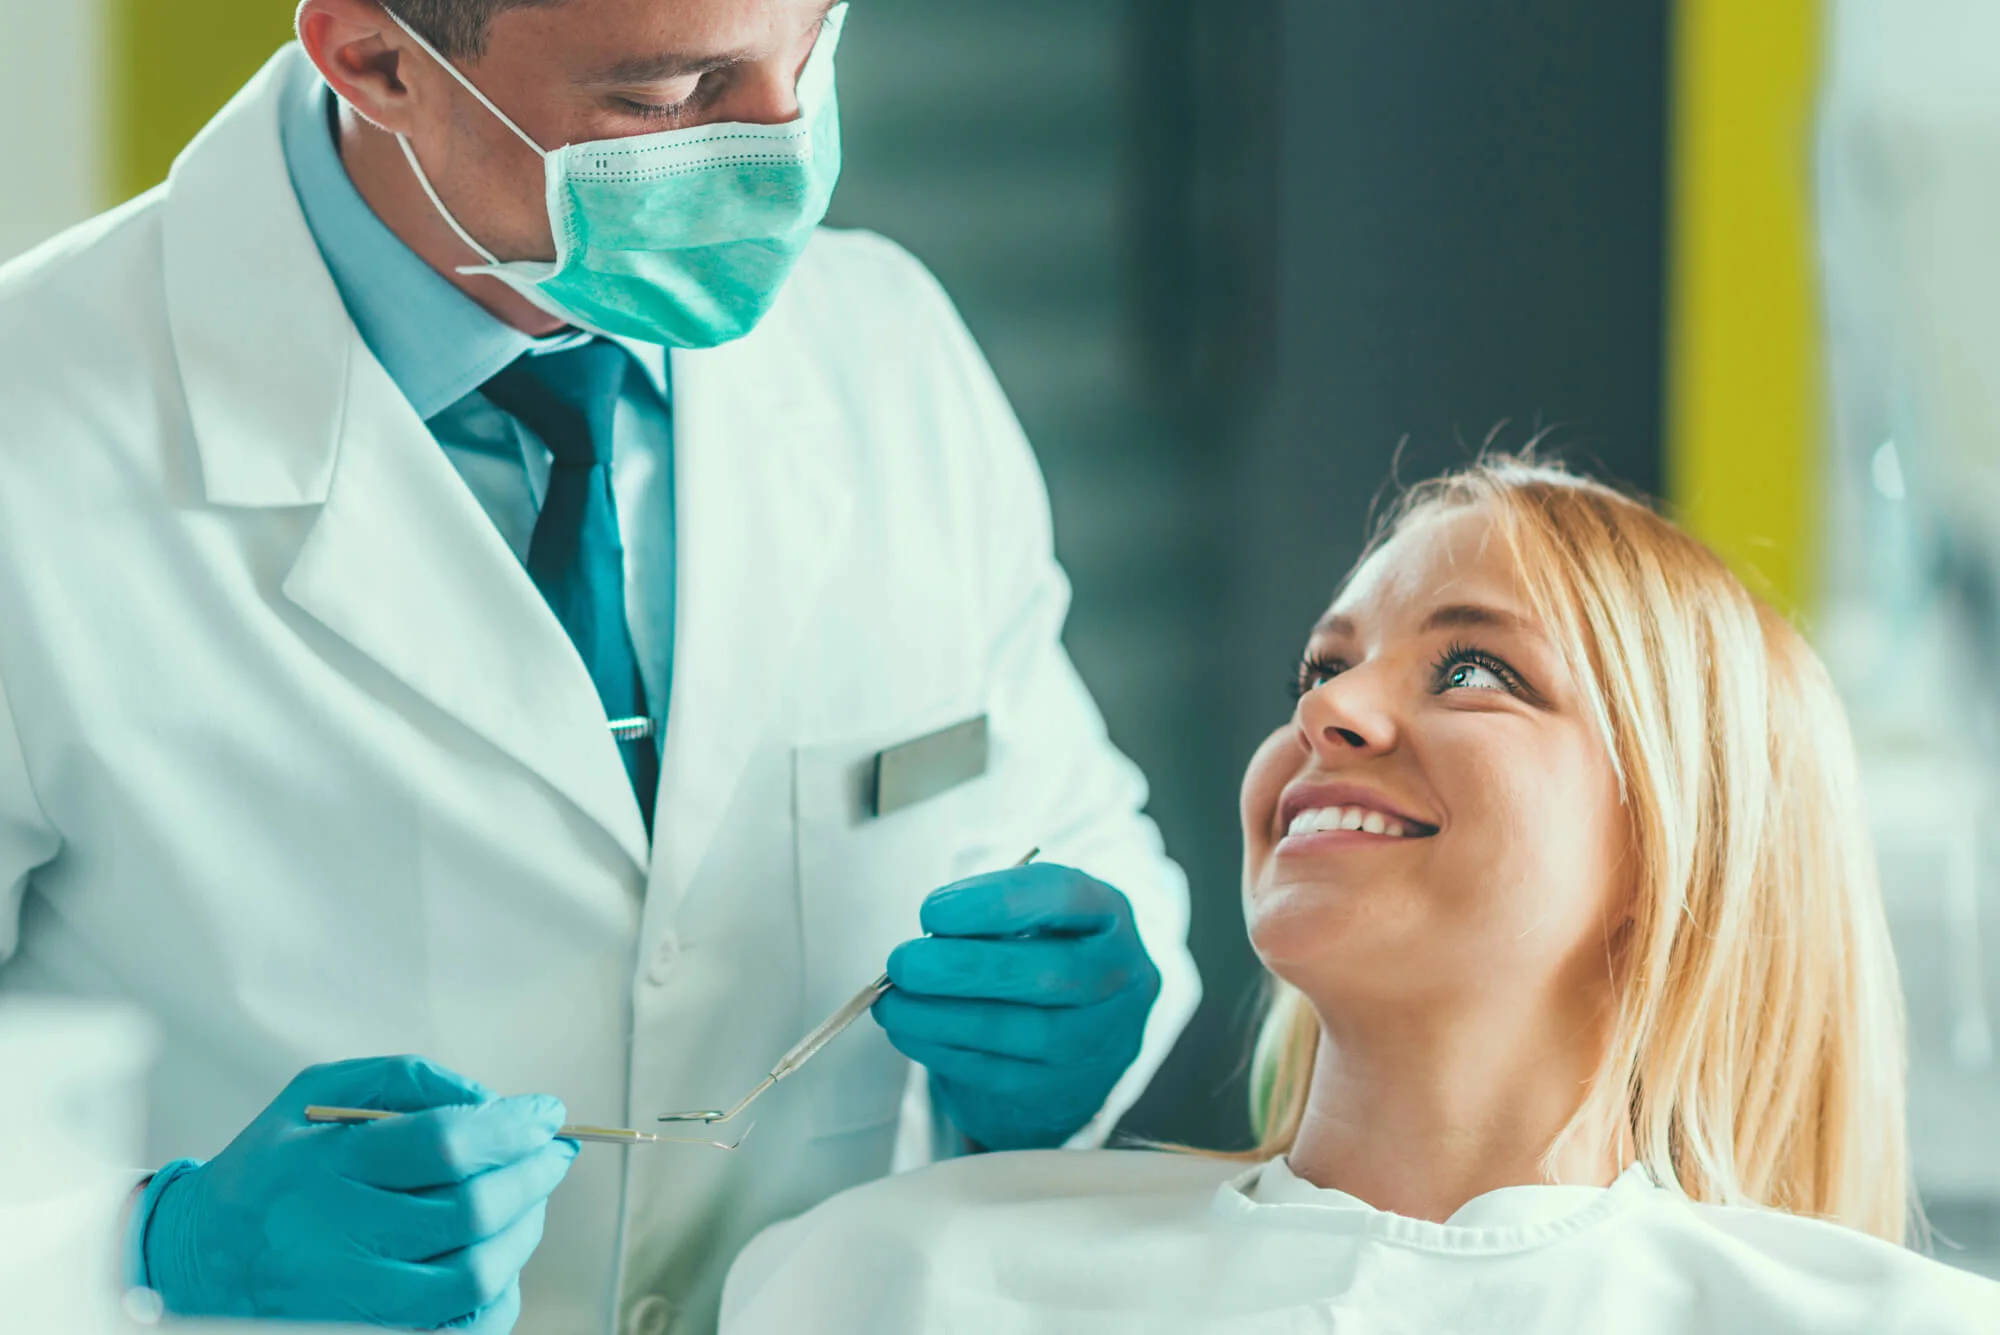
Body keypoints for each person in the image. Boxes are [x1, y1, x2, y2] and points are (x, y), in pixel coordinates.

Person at [0, 1, 1199, 1331]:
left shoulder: (884, 345)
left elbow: (1072, 822)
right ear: (377, 60)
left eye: (808, 43)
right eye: (670, 96)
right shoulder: (31, 437)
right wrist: (147, 1238)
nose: (784, 146)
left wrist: (1068, 1035)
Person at [718, 457, 2000, 1334]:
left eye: (1474, 670)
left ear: (1679, 843)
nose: (1326, 710)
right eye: (1319, 669)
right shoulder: (894, 1276)